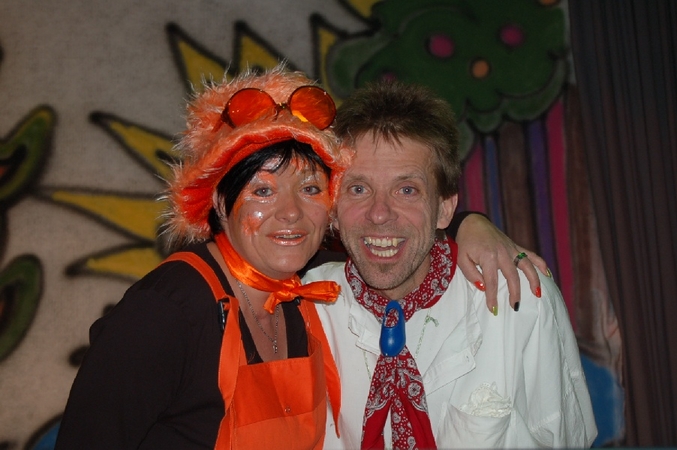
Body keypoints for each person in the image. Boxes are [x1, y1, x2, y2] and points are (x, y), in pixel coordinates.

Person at [55, 65, 548, 449]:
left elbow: (393, 224)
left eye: (310, 188)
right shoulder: (166, 312)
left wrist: (469, 224)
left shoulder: (310, 290)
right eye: (263, 190)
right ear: (221, 202)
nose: (290, 213)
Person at [305, 80, 598, 448]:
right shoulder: (308, 306)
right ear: (333, 207)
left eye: (407, 190)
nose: (379, 213)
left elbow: (566, 439)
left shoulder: (519, 298)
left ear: (445, 208)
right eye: (358, 188)